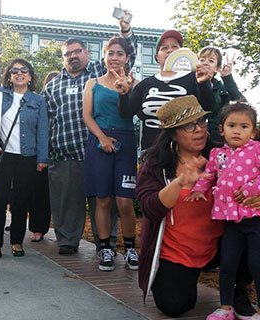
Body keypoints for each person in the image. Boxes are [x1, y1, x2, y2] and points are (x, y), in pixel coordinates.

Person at [136, 95, 255, 318]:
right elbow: (150, 208)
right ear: (173, 133)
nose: (199, 130)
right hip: (177, 253)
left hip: (222, 245)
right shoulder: (156, 164)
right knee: (174, 305)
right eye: (190, 126)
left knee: (254, 231)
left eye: (201, 122)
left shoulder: (223, 153)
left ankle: (238, 292)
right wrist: (181, 182)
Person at [43, 15, 137, 255]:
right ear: (63, 58)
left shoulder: (98, 71)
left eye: (77, 51)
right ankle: (67, 241)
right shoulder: (51, 86)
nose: (73, 56)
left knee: (104, 200)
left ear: (87, 54)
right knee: (68, 203)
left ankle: (104, 244)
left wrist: (125, 29)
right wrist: (45, 154)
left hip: (100, 148)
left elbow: (127, 54)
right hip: (66, 153)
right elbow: (45, 122)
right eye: (67, 54)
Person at [187, 102, 260, 320]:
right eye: (232, 125)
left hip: (255, 220)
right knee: (227, 263)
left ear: (254, 132)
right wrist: (198, 189)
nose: (237, 131)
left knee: (256, 264)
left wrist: (251, 188)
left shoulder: (257, 150)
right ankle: (225, 307)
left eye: (244, 127)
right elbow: (208, 176)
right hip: (230, 222)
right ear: (222, 129)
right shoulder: (218, 154)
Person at [82, 36, 139, 271]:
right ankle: (104, 248)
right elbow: (87, 116)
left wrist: (126, 91)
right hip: (99, 141)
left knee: (125, 201)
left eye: (120, 54)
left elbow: (134, 113)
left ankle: (130, 247)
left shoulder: (135, 84)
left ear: (127, 58)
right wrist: (102, 138)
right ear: (104, 56)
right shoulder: (92, 83)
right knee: (102, 199)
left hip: (126, 141)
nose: (115, 58)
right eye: (111, 53)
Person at [0, 58, 48, 258]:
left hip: (27, 157)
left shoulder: (38, 101)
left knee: (21, 201)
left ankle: (16, 242)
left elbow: (42, 131)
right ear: (9, 76)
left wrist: (42, 158)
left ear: (30, 77)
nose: (19, 73)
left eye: (24, 70)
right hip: (4, 157)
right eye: (14, 71)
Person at [117, 29, 214, 150]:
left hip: (184, 154)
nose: (169, 50)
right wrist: (123, 94)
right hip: (151, 152)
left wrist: (203, 84)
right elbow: (126, 114)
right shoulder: (145, 84)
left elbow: (209, 108)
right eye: (164, 48)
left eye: (175, 47)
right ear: (157, 57)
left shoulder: (195, 79)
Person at [27, 71, 59, 242]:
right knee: (39, 193)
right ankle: (38, 228)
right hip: (41, 152)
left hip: (60, 150)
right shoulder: (38, 102)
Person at [197, 47, 244, 144]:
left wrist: (227, 78)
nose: (205, 63)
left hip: (216, 139)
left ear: (217, 68)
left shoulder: (220, 87)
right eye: (202, 60)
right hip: (195, 136)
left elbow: (241, 103)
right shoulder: (191, 83)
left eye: (211, 61)